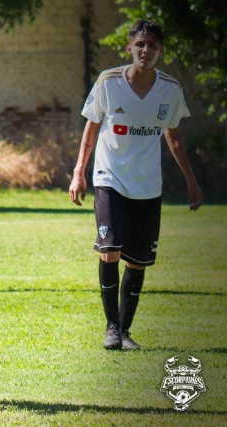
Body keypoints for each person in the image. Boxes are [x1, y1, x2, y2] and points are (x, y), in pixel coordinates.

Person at [69, 20, 202, 350]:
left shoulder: (169, 89)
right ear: (129, 47)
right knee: (110, 250)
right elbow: (91, 128)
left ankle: (125, 331)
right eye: (140, 44)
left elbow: (174, 137)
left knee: (137, 261)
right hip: (109, 178)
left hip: (147, 186)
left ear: (160, 51)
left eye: (152, 45)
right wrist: (78, 171)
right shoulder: (108, 82)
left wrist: (191, 180)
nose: (146, 50)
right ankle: (112, 328)